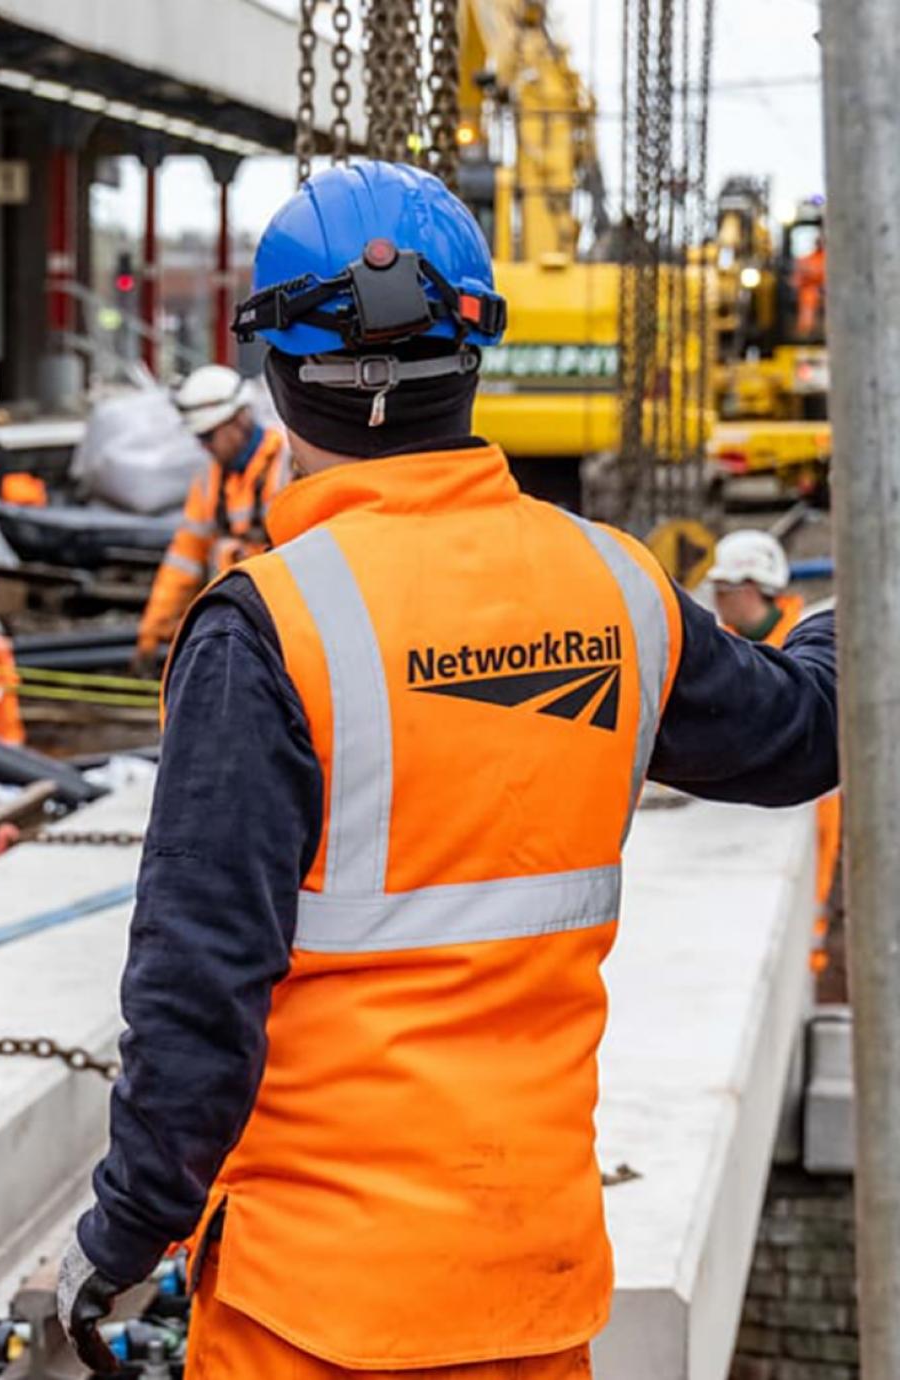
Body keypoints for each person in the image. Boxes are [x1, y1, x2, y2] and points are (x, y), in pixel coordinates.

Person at [56, 161, 839, 1379]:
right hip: (529, 1291)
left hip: (311, 1314)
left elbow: (198, 987)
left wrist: (128, 1227)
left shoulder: (266, 625)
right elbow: (802, 730)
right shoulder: (615, 589)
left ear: (276, 378)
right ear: (479, 353)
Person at [709, 529, 841, 965]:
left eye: (721, 589)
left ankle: (815, 961)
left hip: (818, 805)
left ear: (748, 589)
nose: (715, 599)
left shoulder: (807, 652)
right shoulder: (724, 651)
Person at [134, 365, 292, 675]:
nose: (202, 445)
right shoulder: (210, 480)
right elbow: (184, 559)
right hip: (239, 622)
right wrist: (154, 632)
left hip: (286, 624)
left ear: (239, 420)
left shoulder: (288, 465)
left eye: (208, 435)